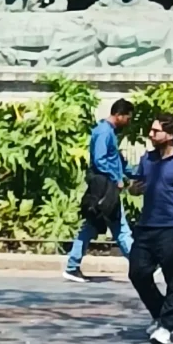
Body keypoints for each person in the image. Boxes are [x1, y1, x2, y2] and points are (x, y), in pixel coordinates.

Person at [127, 111, 173, 344]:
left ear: (169, 135)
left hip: (172, 228)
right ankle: (161, 314)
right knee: (137, 273)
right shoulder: (147, 160)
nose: (150, 134)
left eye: (155, 131)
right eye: (151, 130)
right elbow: (136, 188)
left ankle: (166, 327)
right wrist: (133, 189)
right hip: (146, 227)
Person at [64, 97, 136, 279]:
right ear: (119, 115)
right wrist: (116, 179)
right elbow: (100, 160)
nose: (128, 122)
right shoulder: (104, 132)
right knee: (120, 228)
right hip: (106, 188)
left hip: (107, 186)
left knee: (91, 227)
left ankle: (72, 265)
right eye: (128, 118)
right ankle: (141, 265)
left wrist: (135, 173)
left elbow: (116, 161)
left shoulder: (108, 132)